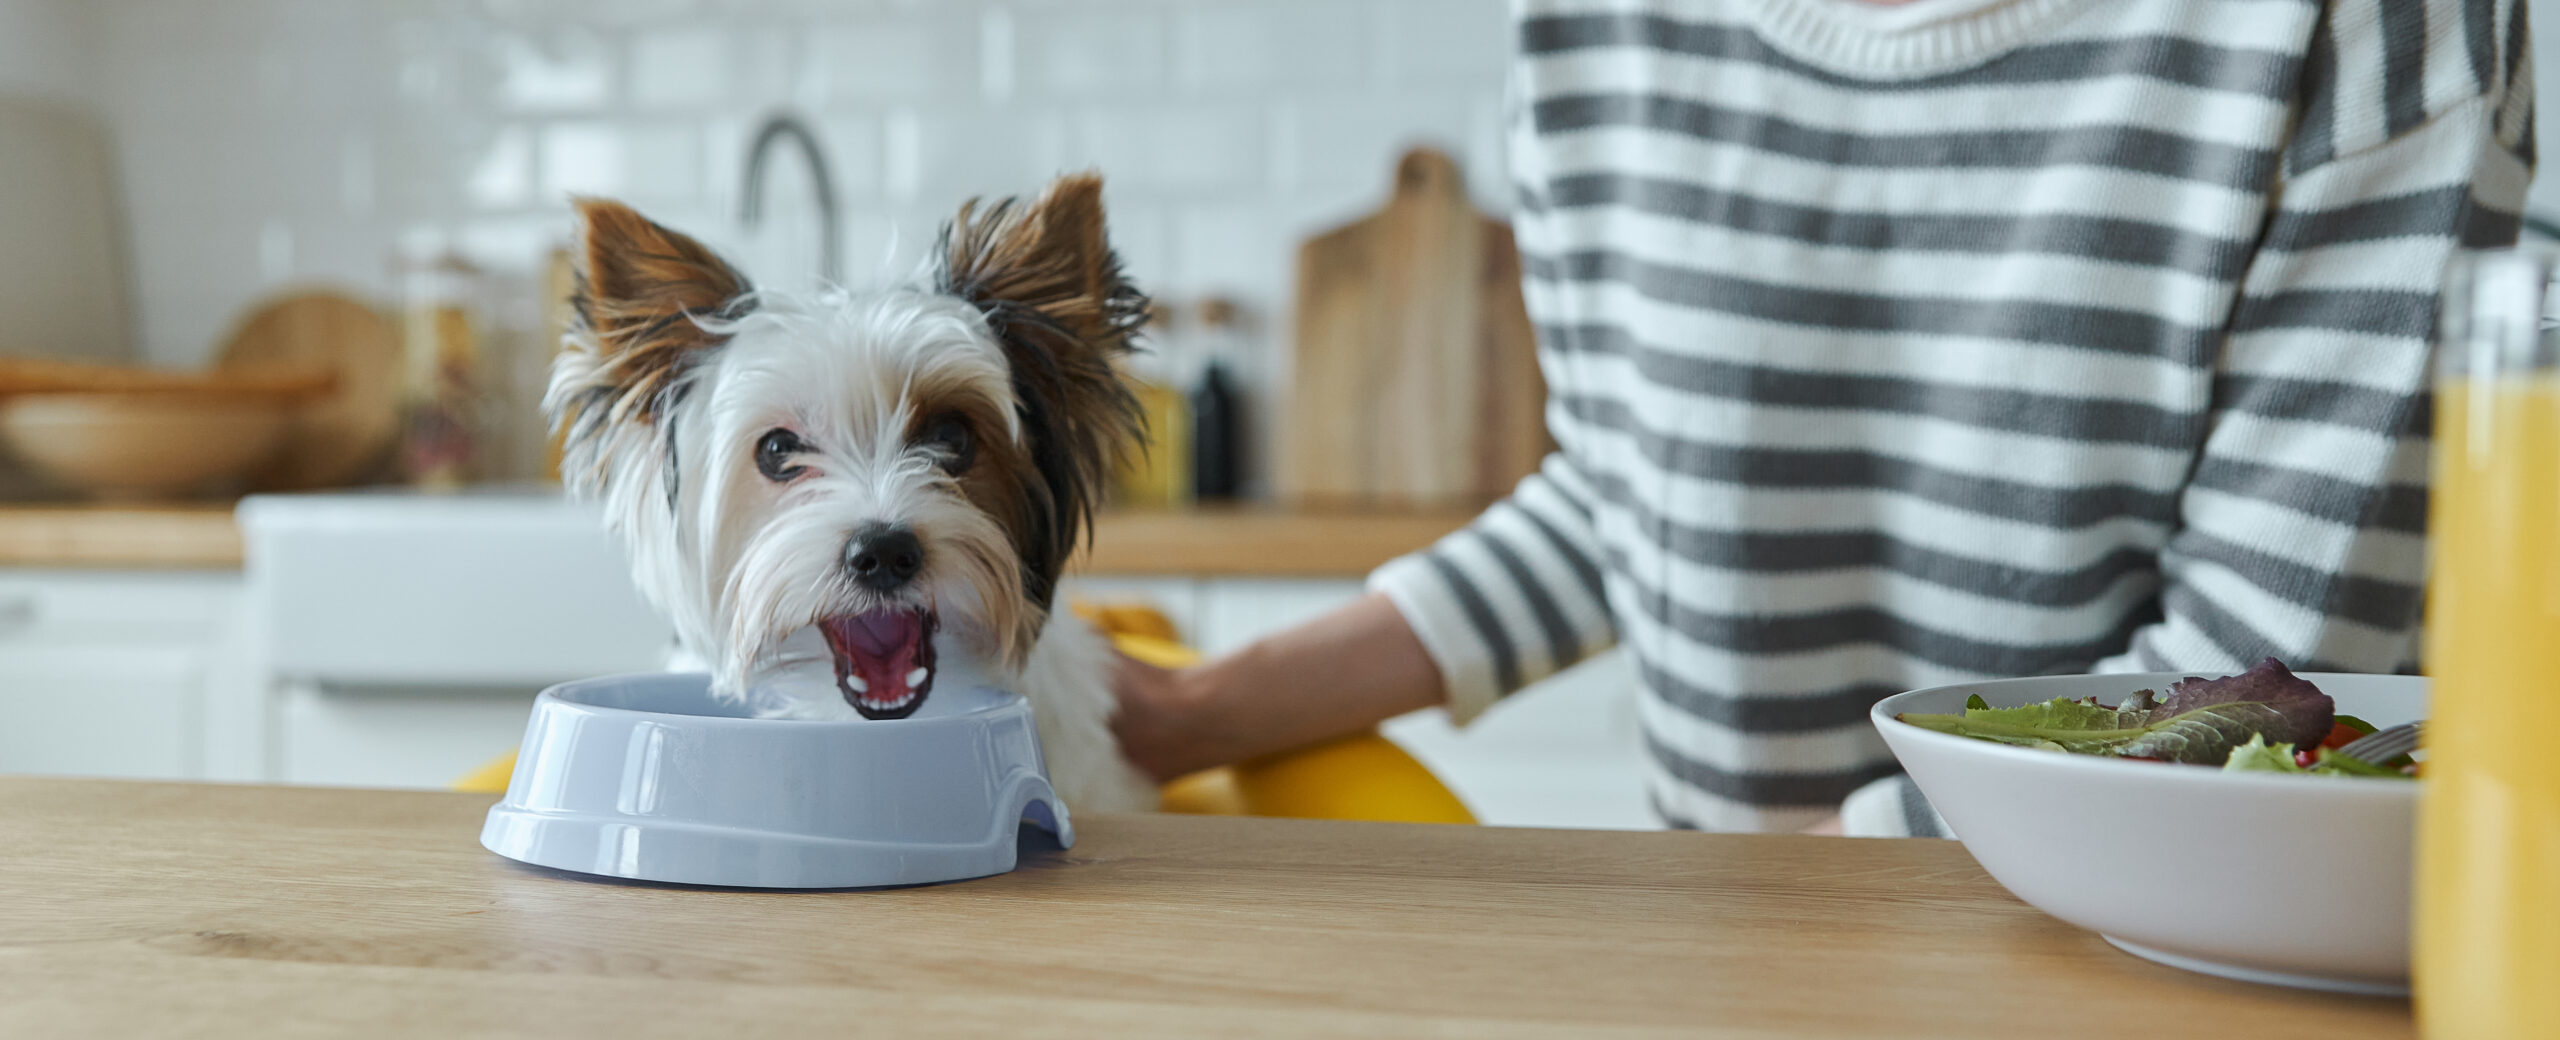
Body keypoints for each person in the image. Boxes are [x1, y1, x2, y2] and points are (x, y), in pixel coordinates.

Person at [1112, 0, 2536, 835]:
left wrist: (1761, 929)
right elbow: (1634, 492)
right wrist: (1192, 714)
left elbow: (2267, 694)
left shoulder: (2376, 29)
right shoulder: (1595, 31)